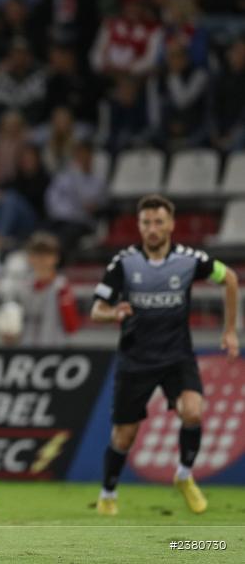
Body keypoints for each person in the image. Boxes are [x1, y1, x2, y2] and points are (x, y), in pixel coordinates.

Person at [91, 194, 240, 516]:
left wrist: (229, 330)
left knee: (194, 412)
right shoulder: (124, 262)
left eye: (159, 222)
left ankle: (184, 476)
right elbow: (97, 310)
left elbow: (229, 279)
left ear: (171, 224)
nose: (153, 229)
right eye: (147, 223)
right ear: (140, 226)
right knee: (124, 436)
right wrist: (113, 312)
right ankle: (108, 492)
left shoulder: (190, 259)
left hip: (177, 357)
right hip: (135, 359)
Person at [0, 232, 80, 347]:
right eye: (36, 254)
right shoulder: (22, 287)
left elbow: (72, 326)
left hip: (55, 349)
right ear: (29, 258)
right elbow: (11, 324)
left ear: (56, 258)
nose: (41, 259)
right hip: (26, 350)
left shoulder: (61, 286)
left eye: (47, 254)